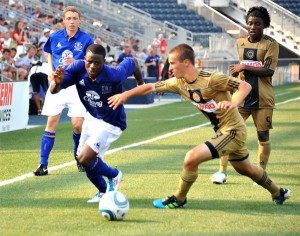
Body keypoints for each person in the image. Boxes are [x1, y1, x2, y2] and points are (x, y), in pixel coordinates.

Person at [108, 43, 291, 208]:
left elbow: (245, 87)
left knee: (191, 158)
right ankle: (278, 192)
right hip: (223, 131)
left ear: (186, 62)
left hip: (233, 130)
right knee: (246, 168)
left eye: (172, 63)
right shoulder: (178, 83)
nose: (169, 68)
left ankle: (179, 198)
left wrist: (233, 103)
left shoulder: (212, 79)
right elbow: (149, 87)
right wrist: (124, 96)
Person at [49, 44, 144, 202]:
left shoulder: (114, 74)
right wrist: (56, 83)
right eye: (89, 62)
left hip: (112, 123)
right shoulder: (77, 68)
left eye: (97, 63)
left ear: (104, 62)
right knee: (82, 160)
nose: (92, 66)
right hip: (92, 118)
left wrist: (140, 82)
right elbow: (53, 90)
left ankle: (114, 175)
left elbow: (132, 62)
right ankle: (105, 192)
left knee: (86, 158)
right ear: (84, 59)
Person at [211, 6, 279, 184]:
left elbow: (268, 71)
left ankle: (260, 174)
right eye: (249, 23)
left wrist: (244, 67)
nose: (252, 26)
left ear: (265, 25)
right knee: (227, 131)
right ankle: (222, 172)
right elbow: (242, 67)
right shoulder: (240, 42)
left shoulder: (271, 44)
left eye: (257, 23)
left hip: (263, 99)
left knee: (263, 137)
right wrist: (235, 74)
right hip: (241, 97)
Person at [33, 6, 94, 176]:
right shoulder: (55, 36)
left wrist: (77, 61)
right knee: (51, 122)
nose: (72, 21)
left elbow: (91, 63)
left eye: (75, 18)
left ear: (79, 20)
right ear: (64, 20)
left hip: (77, 85)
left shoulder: (87, 39)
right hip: (58, 83)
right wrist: (51, 71)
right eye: (69, 18)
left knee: (77, 126)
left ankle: (78, 156)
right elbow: (50, 53)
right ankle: (43, 164)